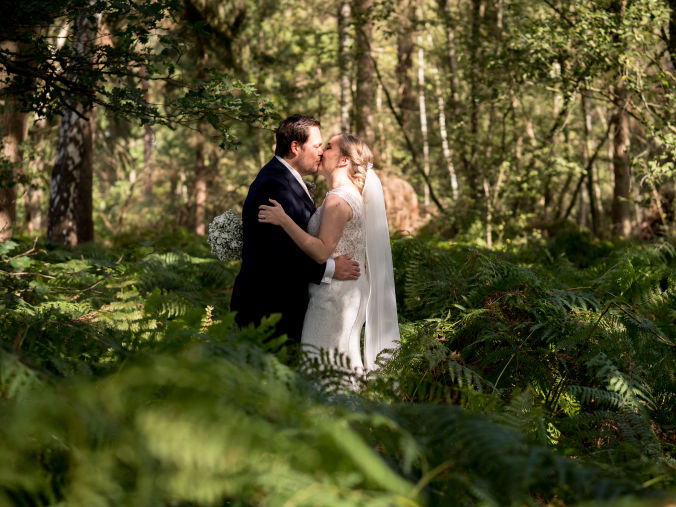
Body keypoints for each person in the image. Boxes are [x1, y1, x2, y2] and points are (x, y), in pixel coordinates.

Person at [258, 133, 400, 372]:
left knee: (322, 365)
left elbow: (322, 252)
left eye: (330, 147)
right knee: (342, 361)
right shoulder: (354, 197)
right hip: (349, 291)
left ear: (344, 160)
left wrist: (283, 220)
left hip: (333, 298)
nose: (322, 151)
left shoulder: (337, 199)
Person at [231, 115, 360, 343]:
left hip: (284, 308)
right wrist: (328, 269)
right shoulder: (273, 184)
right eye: (317, 146)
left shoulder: (285, 178)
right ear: (295, 147)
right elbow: (277, 251)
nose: (321, 152)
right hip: (267, 307)